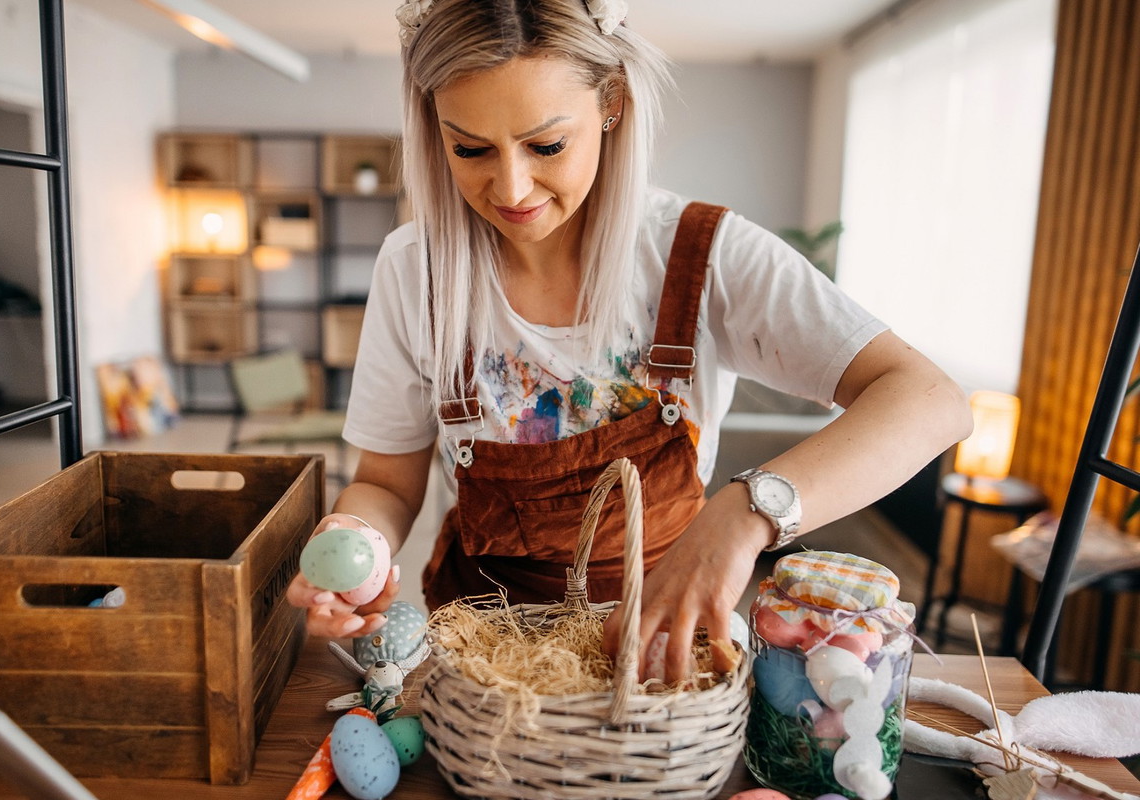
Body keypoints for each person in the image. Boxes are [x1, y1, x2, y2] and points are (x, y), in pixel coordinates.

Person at [286, 0, 972, 682]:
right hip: (484, 664)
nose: (512, 187)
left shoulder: (701, 255)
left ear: (611, 103)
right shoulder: (416, 270)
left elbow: (931, 400)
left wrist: (746, 512)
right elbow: (385, 484)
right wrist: (356, 538)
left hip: (657, 656)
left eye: (546, 146)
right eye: (470, 149)